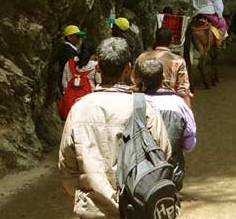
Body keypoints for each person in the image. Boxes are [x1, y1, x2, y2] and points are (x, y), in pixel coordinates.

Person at [59, 38, 171, 218]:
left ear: (97, 68)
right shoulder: (144, 107)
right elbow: (163, 151)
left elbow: (67, 163)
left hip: (93, 208)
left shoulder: (79, 109)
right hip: (136, 206)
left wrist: (81, 195)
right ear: (128, 68)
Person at [133, 57, 196, 191]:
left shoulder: (134, 103)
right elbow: (190, 136)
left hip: (140, 172)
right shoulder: (178, 103)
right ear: (162, 77)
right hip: (172, 169)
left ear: (140, 79)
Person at [135, 27, 192, 106]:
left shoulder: (142, 57)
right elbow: (183, 90)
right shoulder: (178, 61)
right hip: (170, 104)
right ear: (171, 40)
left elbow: (136, 83)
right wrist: (188, 113)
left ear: (155, 39)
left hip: (145, 103)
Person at [57, 25, 88, 96]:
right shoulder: (67, 50)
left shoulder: (70, 49)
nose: (79, 38)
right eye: (76, 36)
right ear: (69, 37)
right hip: (69, 81)